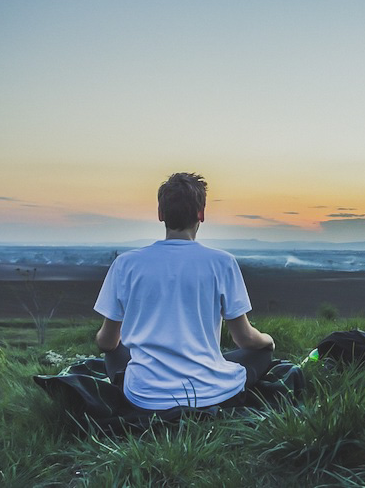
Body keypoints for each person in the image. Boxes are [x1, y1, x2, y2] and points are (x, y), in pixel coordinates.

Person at [94, 172, 275, 410]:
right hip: (210, 393)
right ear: (201, 214)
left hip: (144, 396)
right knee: (261, 353)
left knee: (114, 351)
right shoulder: (222, 262)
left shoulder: (126, 264)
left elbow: (106, 343)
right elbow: (244, 339)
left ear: (161, 214)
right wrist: (268, 341)